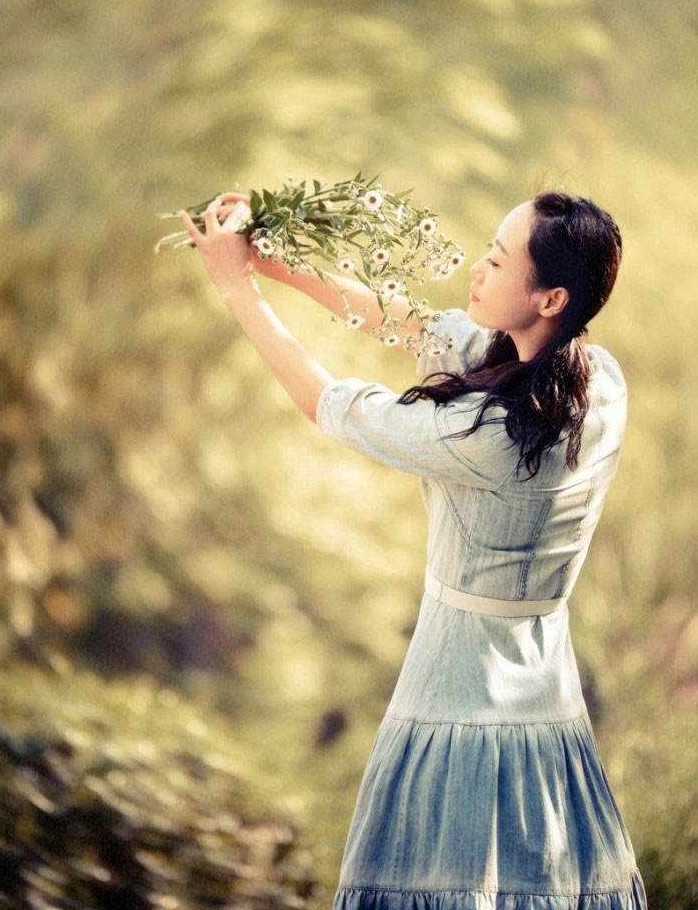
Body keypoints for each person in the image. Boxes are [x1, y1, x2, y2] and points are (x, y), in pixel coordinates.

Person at [179, 187, 648, 909]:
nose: (477, 269)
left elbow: (328, 402)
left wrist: (234, 286)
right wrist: (276, 266)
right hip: (542, 689)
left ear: (549, 298)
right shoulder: (598, 384)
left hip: (460, 689)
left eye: (497, 260)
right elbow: (416, 325)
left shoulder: (490, 437)